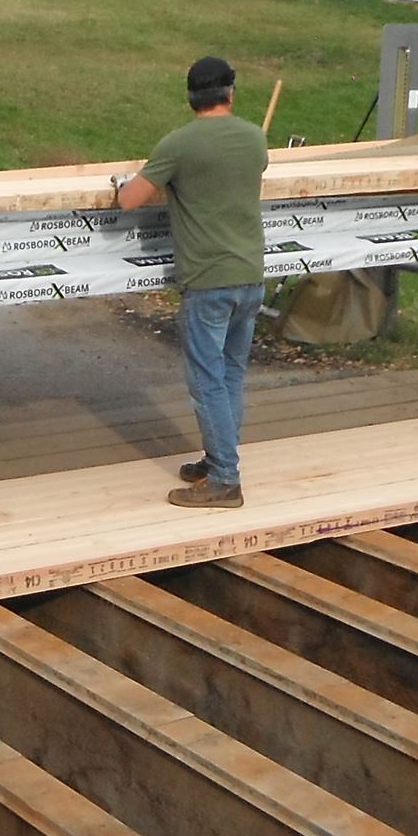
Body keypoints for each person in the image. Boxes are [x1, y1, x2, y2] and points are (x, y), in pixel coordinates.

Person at [117, 56, 269, 509]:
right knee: (230, 375)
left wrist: (152, 181)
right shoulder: (254, 138)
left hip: (208, 281)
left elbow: (129, 200)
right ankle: (217, 457)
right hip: (250, 278)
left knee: (207, 381)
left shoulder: (179, 144)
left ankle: (225, 479)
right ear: (231, 93)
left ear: (190, 97)